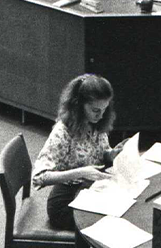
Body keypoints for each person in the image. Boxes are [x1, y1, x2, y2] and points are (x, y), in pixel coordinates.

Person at [32, 73, 118, 231]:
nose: (101, 116)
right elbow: (39, 177)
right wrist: (81, 172)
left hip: (88, 190)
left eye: (104, 110)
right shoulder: (63, 132)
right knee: (111, 222)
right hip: (65, 202)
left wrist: (110, 154)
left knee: (119, 210)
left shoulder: (95, 123)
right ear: (79, 105)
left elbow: (98, 153)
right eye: (95, 110)